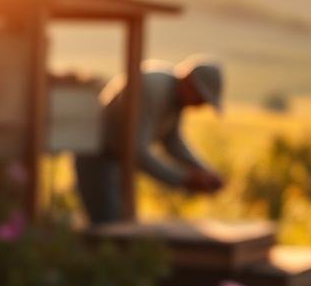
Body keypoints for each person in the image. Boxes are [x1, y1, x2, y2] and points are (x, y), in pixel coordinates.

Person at [75, 56, 225, 224]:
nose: (199, 106)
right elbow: (138, 152)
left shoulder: (175, 98)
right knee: (108, 225)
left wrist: (203, 170)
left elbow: (172, 140)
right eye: (200, 98)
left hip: (117, 160)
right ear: (189, 82)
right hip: (98, 155)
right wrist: (184, 178)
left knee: (121, 223)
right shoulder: (153, 89)